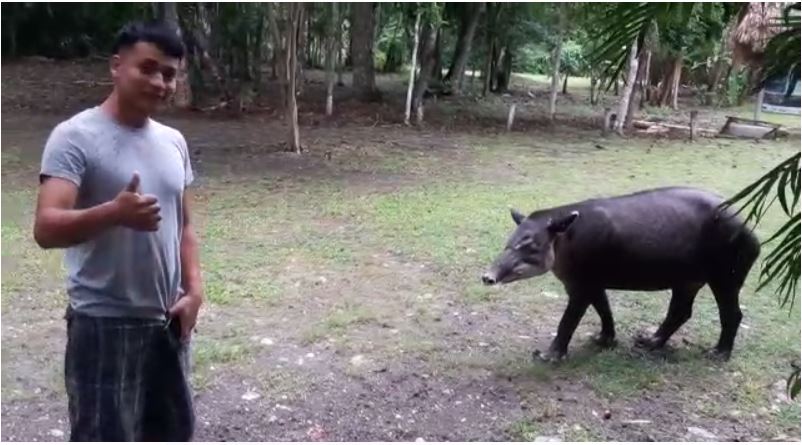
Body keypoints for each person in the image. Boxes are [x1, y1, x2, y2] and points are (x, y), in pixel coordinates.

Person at [33, 20, 202, 441]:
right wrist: (114, 212)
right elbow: (46, 227)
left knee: (171, 433)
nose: (160, 81)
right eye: (147, 68)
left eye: (169, 73)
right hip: (102, 325)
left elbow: (186, 225)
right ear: (116, 66)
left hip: (167, 324)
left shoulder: (174, 141)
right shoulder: (75, 137)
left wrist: (195, 291)